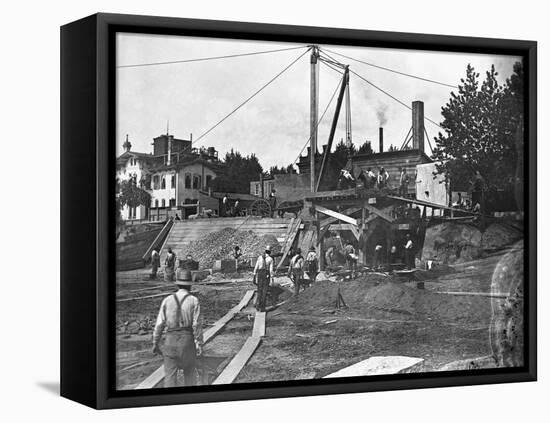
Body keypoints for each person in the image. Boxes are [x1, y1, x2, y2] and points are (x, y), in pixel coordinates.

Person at [152, 273, 203, 388]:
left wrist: (155, 343)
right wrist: (199, 344)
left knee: (170, 378)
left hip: (170, 342)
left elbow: (159, 325)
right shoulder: (194, 301)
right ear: (190, 285)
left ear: (178, 285)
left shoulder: (167, 300)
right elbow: (197, 325)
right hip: (187, 343)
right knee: (190, 376)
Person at [253, 246, 274, 311]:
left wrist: (254, 276)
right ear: (270, 252)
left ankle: (258, 305)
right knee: (264, 290)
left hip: (260, 274)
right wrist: (272, 278)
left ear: (265, 251)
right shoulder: (270, 259)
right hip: (266, 274)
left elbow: (256, 267)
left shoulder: (260, 257)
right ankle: (262, 307)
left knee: (259, 289)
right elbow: (271, 270)